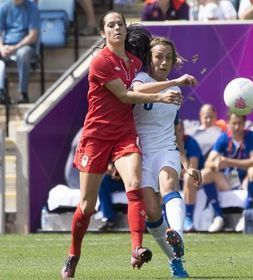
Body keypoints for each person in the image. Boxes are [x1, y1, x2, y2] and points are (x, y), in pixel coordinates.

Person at [60, 11, 183, 279]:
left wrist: (163, 81)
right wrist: (168, 89)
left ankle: (137, 248)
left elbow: (143, 83)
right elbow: (126, 96)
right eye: (111, 25)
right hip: (96, 136)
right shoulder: (100, 61)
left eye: (120, 24)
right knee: (86, 206)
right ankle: (73, 255)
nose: (117, 28)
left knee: (135, 184)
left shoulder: (135, 63)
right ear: (103, 33)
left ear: (126, 31)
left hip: (124, 135)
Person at [130, 35, 201, 278]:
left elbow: (174, 131)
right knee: (152, 212)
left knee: (169, 182)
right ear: (149, 60)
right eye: (159, 57)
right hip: (140, 155)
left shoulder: (174, 89)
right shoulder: (141, 79)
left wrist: (186, 165)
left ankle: (178, 234)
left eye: (168, 58)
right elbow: (138, 91)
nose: (164, 62)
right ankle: (175, 261)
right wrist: (175, 81)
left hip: (166, 150)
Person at [200, 112, 253, 232]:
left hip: (246, 179)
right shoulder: (223, 138)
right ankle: (218, 216)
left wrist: (228, 161)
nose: (237, 127)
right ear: (228, 124)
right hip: (228, 180)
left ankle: (246, 214)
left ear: (245, 123)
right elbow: (208, 163)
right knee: (206, 173)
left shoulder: (252, 136)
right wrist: (217, 164)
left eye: (240, 123)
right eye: (234, 123)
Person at [0, 0, 40, 104]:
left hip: (25, 46)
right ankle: (1, 92)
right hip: (6, 46)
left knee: (23, 54)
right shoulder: (4, 7)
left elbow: (33, 36)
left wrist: (15, 47)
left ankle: (23, 93)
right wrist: (2, 47)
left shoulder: (32, 7)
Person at [175, 119, 205, 232]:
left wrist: (176, 172)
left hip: (198, 181)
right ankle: (163, 216)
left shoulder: (191, 142)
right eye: (176, 130)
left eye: (180, 130)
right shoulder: (166, 143)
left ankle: (188, 217)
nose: (178, 133)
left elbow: (193, 169)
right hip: (176, 180)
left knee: (189, 177)